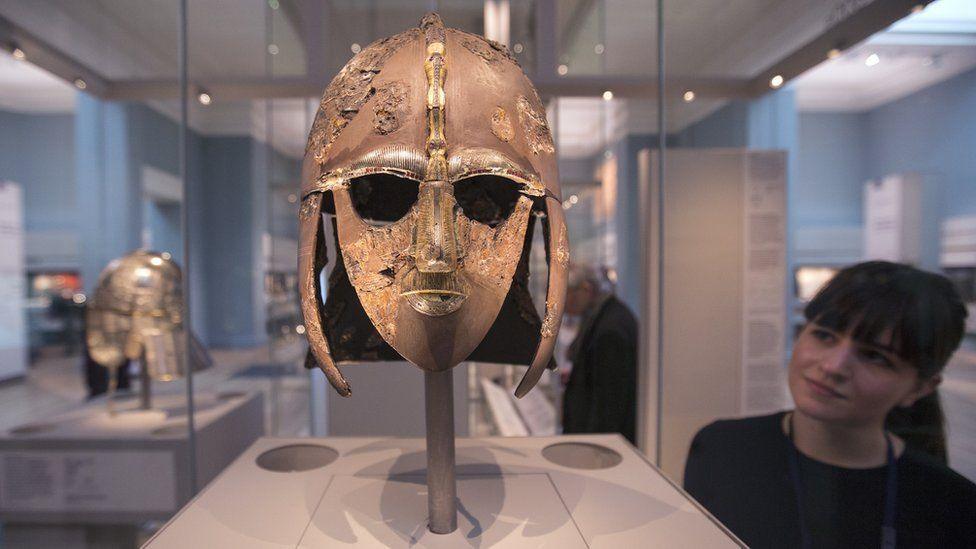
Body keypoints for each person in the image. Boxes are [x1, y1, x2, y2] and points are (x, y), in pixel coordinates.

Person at [684, 261, 976, 548]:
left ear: (920, 387)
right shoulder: (721, 447)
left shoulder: (954, 505)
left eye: (875, 356)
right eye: (824, 336)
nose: (833, 366)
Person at [561, 264, 638, 444]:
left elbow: (608, 407)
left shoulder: (610, 329)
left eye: (565, 295)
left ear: (585, 290)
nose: (561, 304)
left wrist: (593, 448)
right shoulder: (605, 316)